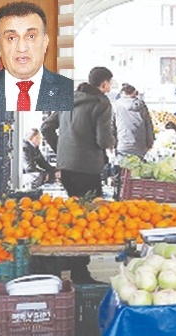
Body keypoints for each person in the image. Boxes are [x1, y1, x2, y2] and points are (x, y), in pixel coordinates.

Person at [40, 67, 115, 284]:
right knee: (88, 219)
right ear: (103, 84)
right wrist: (111, 143)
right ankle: (80, 272)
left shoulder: (67, 99)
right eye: (109, 83)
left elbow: (46, 127)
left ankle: (74, 266)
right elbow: (104, 141)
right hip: (88, 167)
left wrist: (61, 150)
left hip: (67, 168)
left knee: (73, 216)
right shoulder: (101, 104)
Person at [0, 1, 73, 111]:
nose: (22, 48)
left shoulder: (71, 93)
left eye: (31, 36)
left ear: (45, 42)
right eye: (12, 38)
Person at [112, 84, 155, 159]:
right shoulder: (142, 106)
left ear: (122, 93)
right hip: (140, 146)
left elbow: (111, 127)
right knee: (139, 168)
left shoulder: (116, 106)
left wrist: (112, 145)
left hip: (122, 145)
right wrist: (150, 143)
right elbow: (148, 125)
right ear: (134, 93)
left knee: (123, 169)